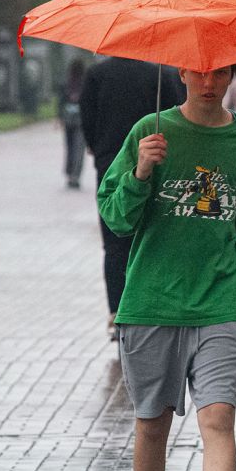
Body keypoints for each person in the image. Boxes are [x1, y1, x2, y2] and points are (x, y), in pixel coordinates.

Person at [97, 62, 236, 471]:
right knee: (151, 427)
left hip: (221, 297)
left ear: (233, 73)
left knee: (218, 417)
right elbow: (116, 217)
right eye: (198, 73)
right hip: (150, 301)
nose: (209, 83)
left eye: (219, 74)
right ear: (182, 73)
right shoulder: (151, 132)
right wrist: (141, 174)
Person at [80, 57, 185, 338]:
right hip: (155, 160)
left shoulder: (96, 74)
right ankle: (151, 308)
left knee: (114, 243)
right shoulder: (159, 74)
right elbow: (177, 115)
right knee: (150, 235)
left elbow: (86, 118)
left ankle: (116, 312)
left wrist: (97, 146)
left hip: (109, 159)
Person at [58, 60, 87, 189]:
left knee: (70, 148)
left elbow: (61, 102)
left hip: (69, 119)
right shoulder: (86, 83)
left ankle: (70, 174)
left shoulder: (67, 83)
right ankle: (75, 175)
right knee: (78, 148)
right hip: (81, 120)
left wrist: (59, 117)